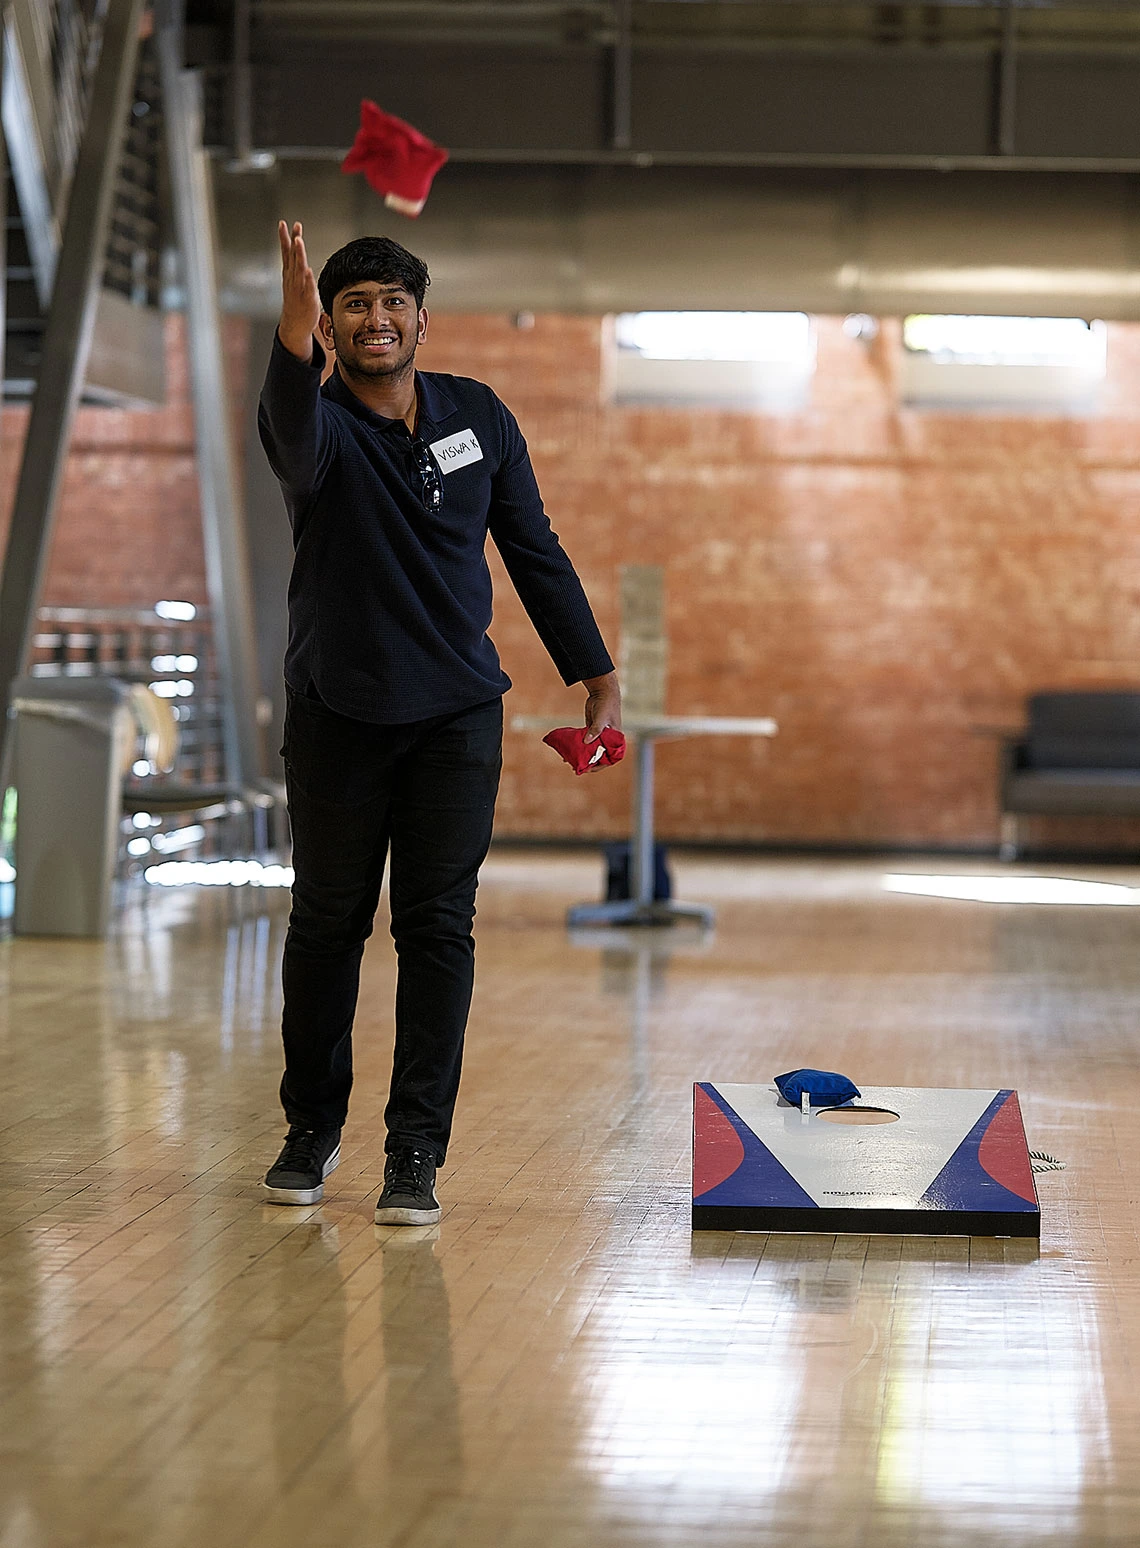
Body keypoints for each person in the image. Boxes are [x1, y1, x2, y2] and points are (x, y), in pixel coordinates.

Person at [258, 222, 621, 1224]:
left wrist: (596, 673)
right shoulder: (322, 430)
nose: (376, 319)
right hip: (338, 709)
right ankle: (309, 1129)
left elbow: (533, 548)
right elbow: (288, 431)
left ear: (420, 316)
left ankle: (413, 1151)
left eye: (392, 301)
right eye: (353, 305)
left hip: (456, 715)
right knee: (329, 922)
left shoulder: (478, 416)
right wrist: (289, 348)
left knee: (437, 927)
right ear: (330, 327)